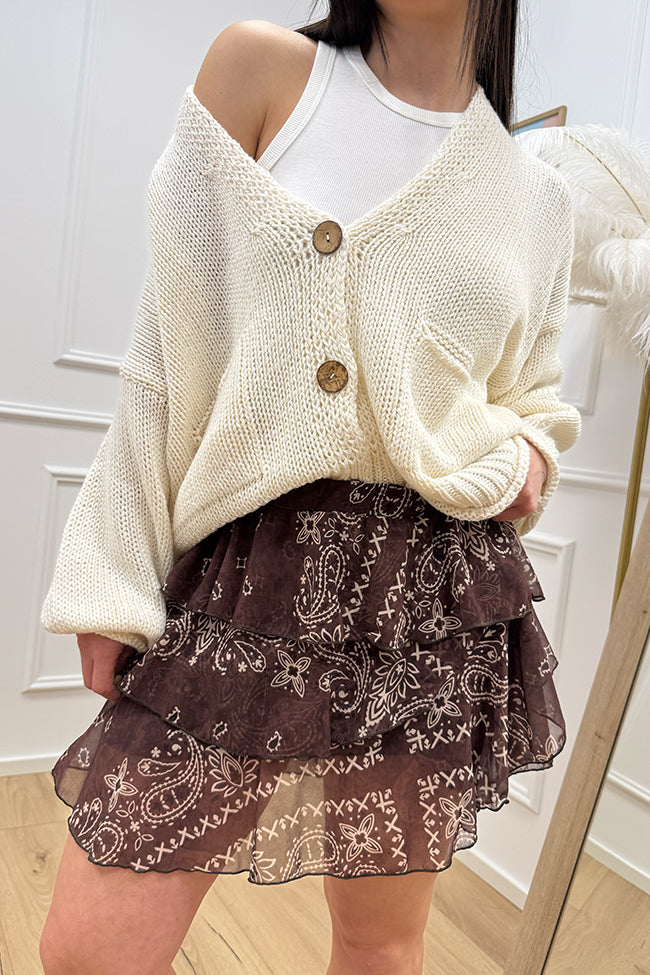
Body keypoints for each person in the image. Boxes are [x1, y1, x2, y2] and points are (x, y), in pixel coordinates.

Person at [38, 2, 581, 973]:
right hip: (252, 571)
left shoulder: (535, 195)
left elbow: (533, 396)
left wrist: (527, 459)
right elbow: (165, 349)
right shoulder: (262, 73)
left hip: (433, 596)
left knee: (380, 943)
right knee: (89, 953)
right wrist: (111, 575)